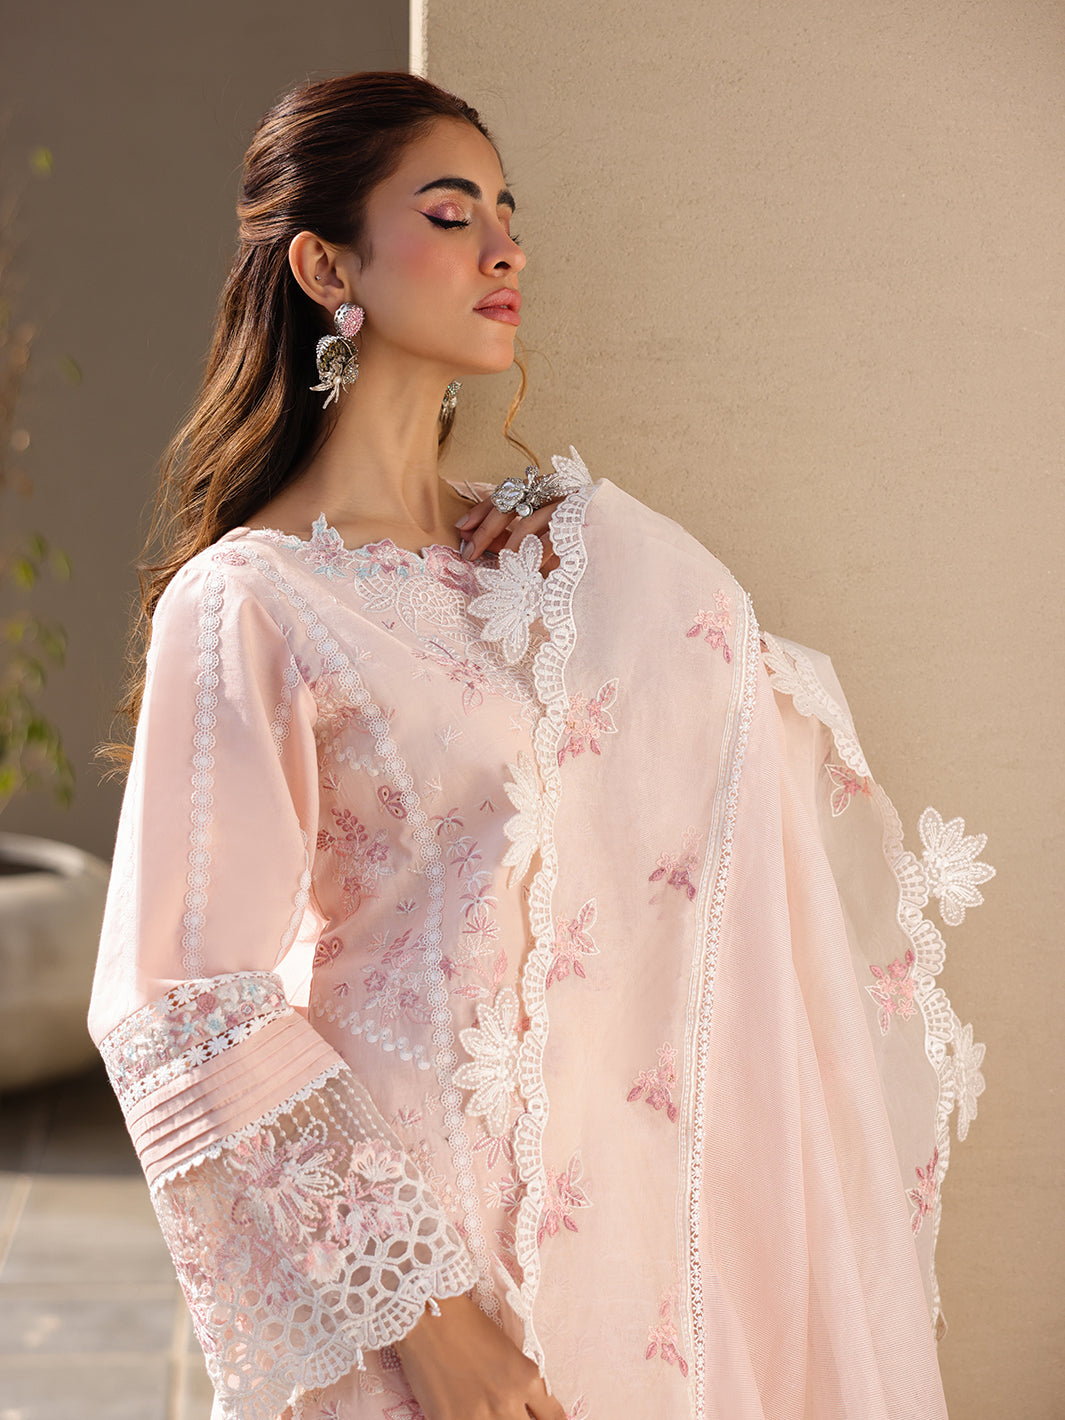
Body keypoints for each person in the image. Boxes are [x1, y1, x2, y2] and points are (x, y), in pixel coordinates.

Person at [88, 71, 993, 1420]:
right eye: (451, 215)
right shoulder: (253, 600)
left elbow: (744, 755)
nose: (505, 248)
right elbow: (180, 1004)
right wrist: (425, 1319)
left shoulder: (551, 567)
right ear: (327, 266)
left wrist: (606, 563)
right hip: (406, 1269)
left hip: (623, 1244)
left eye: (509, 215)